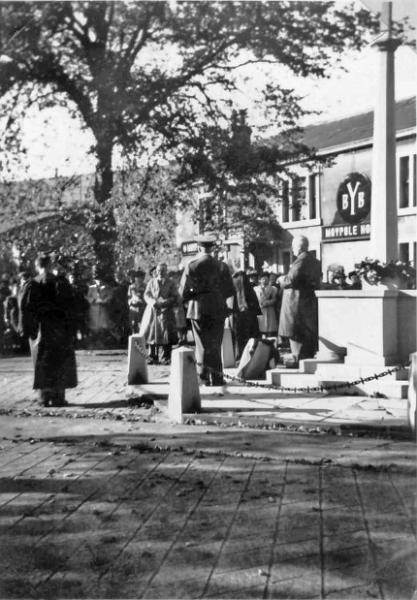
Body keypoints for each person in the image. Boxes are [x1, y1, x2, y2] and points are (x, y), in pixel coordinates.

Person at [21, 253, 77, 406]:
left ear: (37, 266)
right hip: (60, 329)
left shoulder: (32, 284)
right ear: (51, 265)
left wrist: (28, 330)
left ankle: (44, 397)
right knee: (59, 361)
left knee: (42, 362)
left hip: (41, 329)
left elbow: (26, 308)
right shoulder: (62, 282)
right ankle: (59, 396)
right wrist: (71, 328)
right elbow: (72, 306)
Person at [179, 233, 234, 386]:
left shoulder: (192, 265)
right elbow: (229, 290)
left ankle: (203, 377)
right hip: (217, 307)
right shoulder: (222, 266)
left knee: (201, 344)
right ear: (213, 248)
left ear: (199, 247)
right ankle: (217, 378)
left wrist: (192, 297)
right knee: (216, 344)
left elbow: (183, 291)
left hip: (198, 308)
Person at [278, 235, 321, 367]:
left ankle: (297, 362)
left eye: (293, 246)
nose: (291, 248)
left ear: (299, 247)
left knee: (296, 338)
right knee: (306, 340)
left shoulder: (301, 260)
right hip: (307, 304)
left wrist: (281, 280)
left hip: (296, 305)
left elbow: (291, 280)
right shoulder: (314, 260)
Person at [140, 262, 178, 365]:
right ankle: (153, 356)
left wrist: (167, 301)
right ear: (156, 272)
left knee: (167, 334)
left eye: (163, 271)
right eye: (158, 271)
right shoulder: (151, 282)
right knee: (152, 334)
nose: (160, 273)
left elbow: (175, 296)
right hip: (153, 311)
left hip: (166, 311)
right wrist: (152, 302)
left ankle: (166, 357)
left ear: (166, 272)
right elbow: (146, 295)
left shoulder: (171, 283)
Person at [232, 269, 261, 359]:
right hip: (249, 315)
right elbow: (255, 305)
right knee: (251, 335)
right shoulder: (249, 288)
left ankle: (239, 355)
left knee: (239, 337)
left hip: (238, 316)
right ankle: (250, 354)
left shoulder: (234, 288)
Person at [254, 272, 279, 337]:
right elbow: (256, 299)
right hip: (260, 310)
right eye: (263, 279)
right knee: (261, 328)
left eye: (266, 279)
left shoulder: (273, 289)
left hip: (270, 310)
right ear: (260, 280)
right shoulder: (256, 289)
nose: (265, 280)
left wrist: (267, 303)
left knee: (270, 329)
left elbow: (274, 299)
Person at [127, 269, 146, 334]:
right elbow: (129, 297)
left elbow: (147, 297)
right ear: (135, 278)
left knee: (141, 324)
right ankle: (134, 338)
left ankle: (142, 340)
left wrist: (141, 301)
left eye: (141, 278)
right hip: (133, 308)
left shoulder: (145, 286)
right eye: (138, 277)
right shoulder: (131, 286)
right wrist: (130, 302)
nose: (139, 279)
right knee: (132, 324)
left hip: (142, 308)